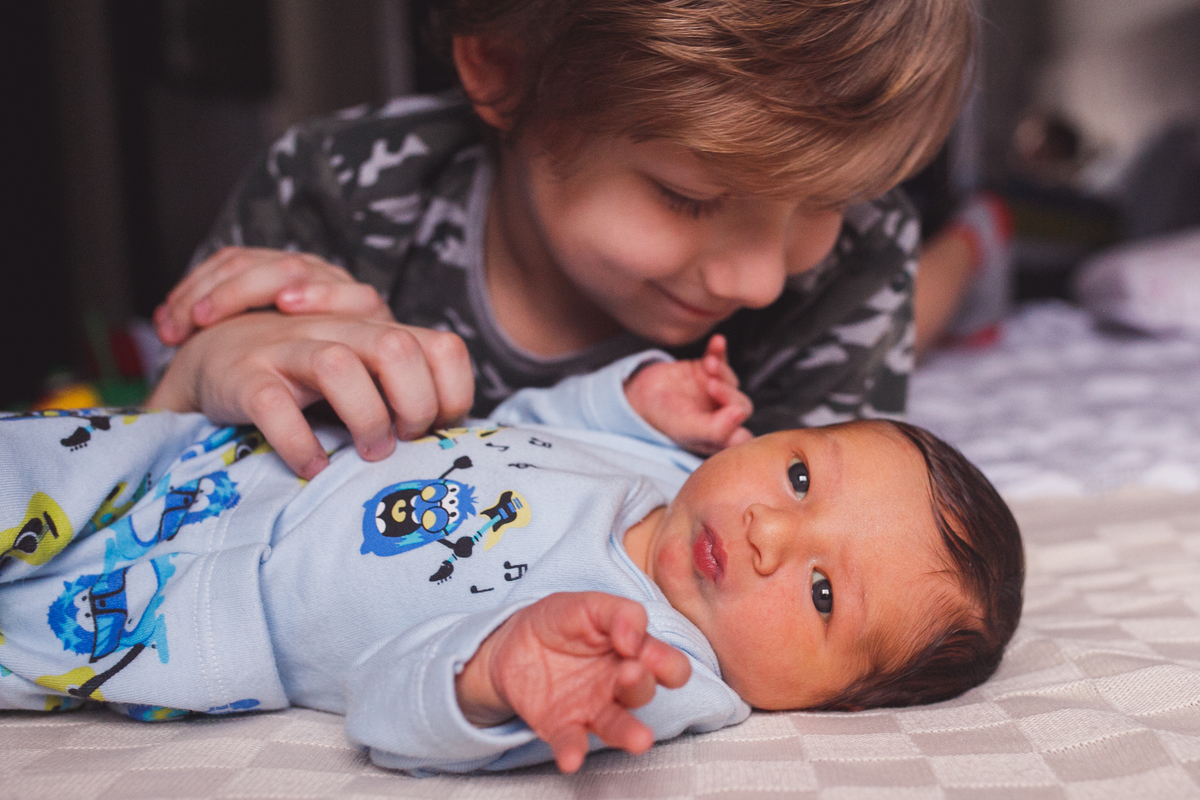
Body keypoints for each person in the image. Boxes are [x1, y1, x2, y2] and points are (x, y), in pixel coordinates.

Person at [0, 341, 1023, 775]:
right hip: (224, 456)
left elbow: (389, 704)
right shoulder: (668, 471)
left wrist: (493, 678)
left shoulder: (651, 665)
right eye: (800, 476)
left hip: (189, 612)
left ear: (833, 701)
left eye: (823, 590)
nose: (769, 532)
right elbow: (521, 424)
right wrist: (630, 397)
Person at [147, 0, 978, 479]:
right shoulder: (330, 192)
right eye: (688, 199)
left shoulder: (858, 251)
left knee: (918, 301)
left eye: (825, 203)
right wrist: (195, 378)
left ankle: (975, 247)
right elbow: (134, 494)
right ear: (504, 72)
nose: (761, 281)